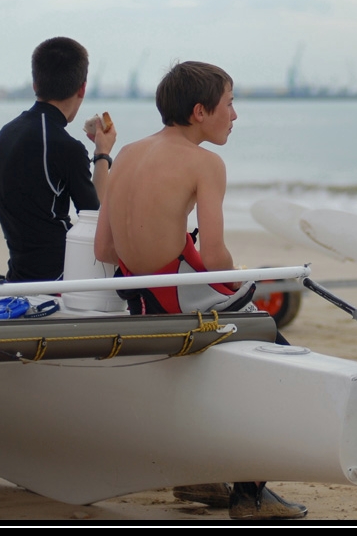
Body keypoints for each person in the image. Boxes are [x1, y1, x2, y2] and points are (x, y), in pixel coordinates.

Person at [93, 61, 307, 520]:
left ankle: (196, 477)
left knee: (195, 382)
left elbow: (104, 246)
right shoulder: (206, 163)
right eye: (229, 104)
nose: (235, 115)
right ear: (199, 112)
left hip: (145, 309)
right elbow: (213, 259)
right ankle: (250, 496)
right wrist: (243, 280)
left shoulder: (127, 153)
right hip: (184, 309)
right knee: (282, 365)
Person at [0, 36, 116, 282]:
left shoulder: (8, 132)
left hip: (19, 272)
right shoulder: (64, 146)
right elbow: (95, 220)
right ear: (82, 88)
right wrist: (102, 154)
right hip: (58, 276)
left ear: (35, 84)